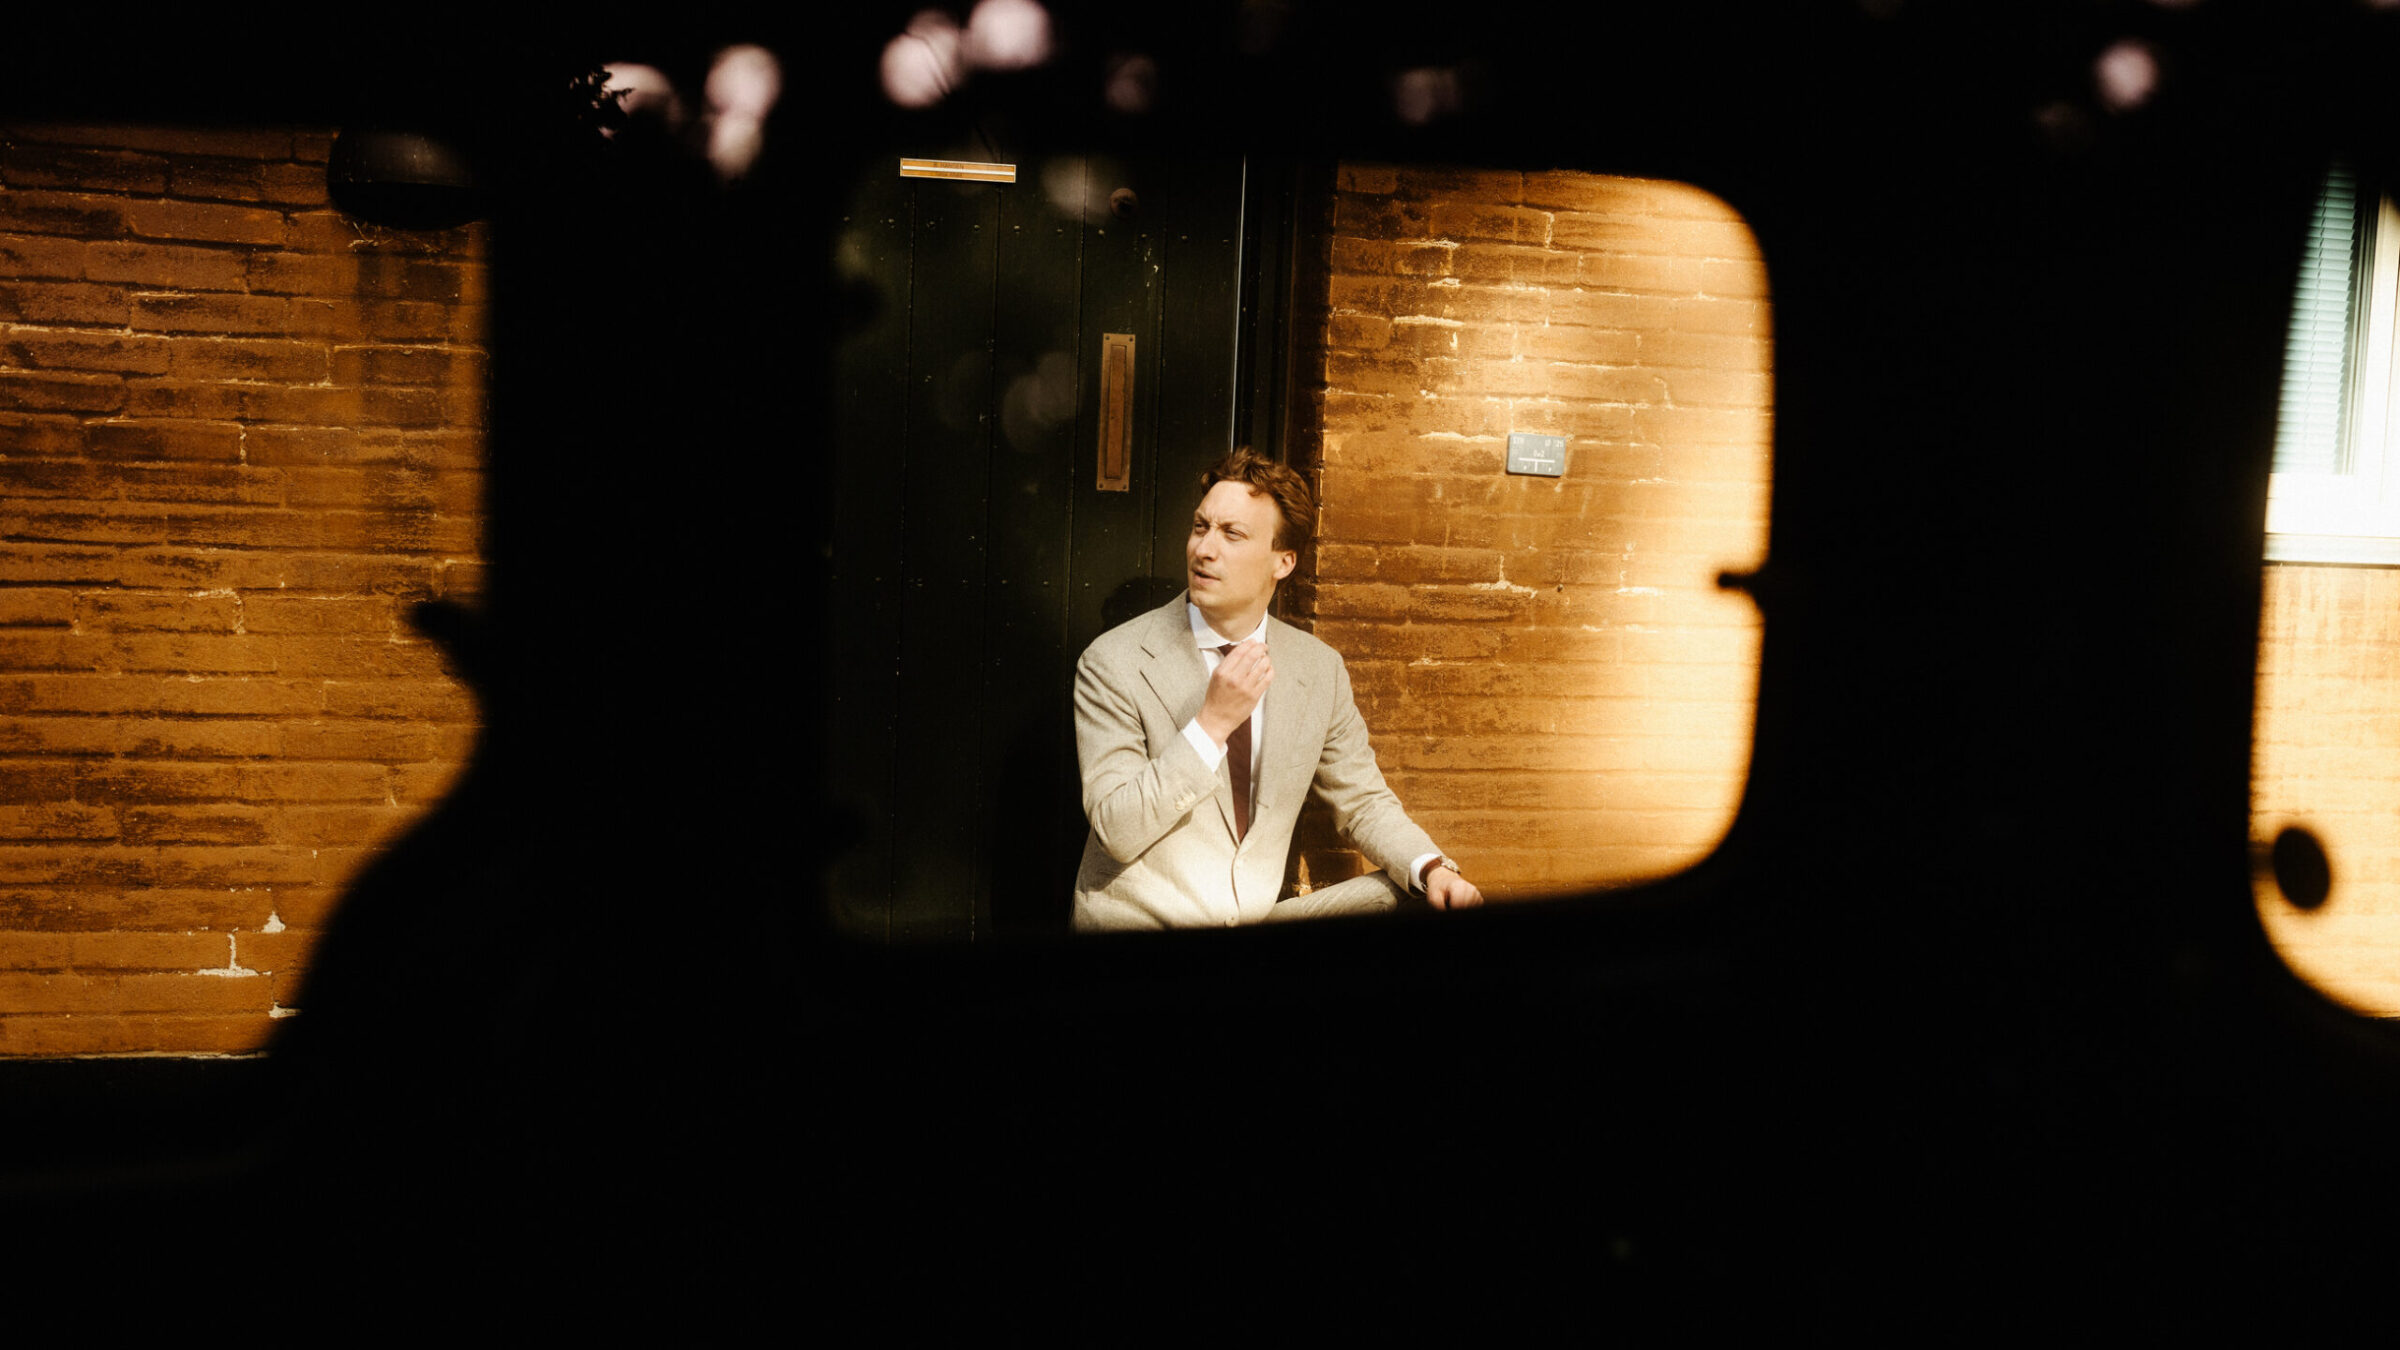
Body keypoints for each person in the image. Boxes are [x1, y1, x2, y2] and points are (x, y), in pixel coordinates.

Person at [1071, 449, 1483, 931]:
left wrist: (1434, 869)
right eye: (1201, 527)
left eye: (1232, 534)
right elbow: (1116, 829)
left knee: (1422, 893)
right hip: (1143, 925)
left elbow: (1364, 802)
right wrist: (1211, 724)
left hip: (1251, 919)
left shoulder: (1318, 668)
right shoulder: (1114, 661)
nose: (1204, 549)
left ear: (1283, 562)